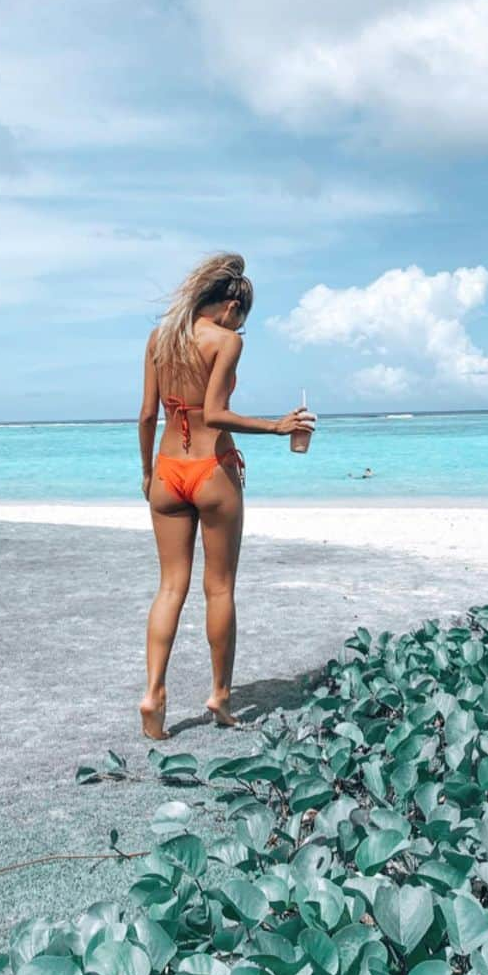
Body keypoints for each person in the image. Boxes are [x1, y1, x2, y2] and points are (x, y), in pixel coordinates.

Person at [137, 252, 315, 737]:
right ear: (232, 305)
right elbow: (214, 415)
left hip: (168, 471)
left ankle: (153, 693)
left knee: (170, 587)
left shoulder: (160, 339)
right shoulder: (227, 342)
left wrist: (147, 472)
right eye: (244, 316)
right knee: (219, 588)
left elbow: (148, 415)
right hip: (213, 470)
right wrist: (276, 427)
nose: (242, 324)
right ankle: (219, 696)